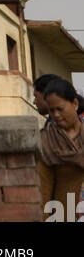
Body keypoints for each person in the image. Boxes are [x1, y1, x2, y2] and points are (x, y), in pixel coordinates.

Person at [37, 77, 84, 221]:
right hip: (65, 215)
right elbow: (43, 193)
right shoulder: (46, 142)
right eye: (51, 110)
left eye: (60, 109)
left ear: (75, 104)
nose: (56, 115)